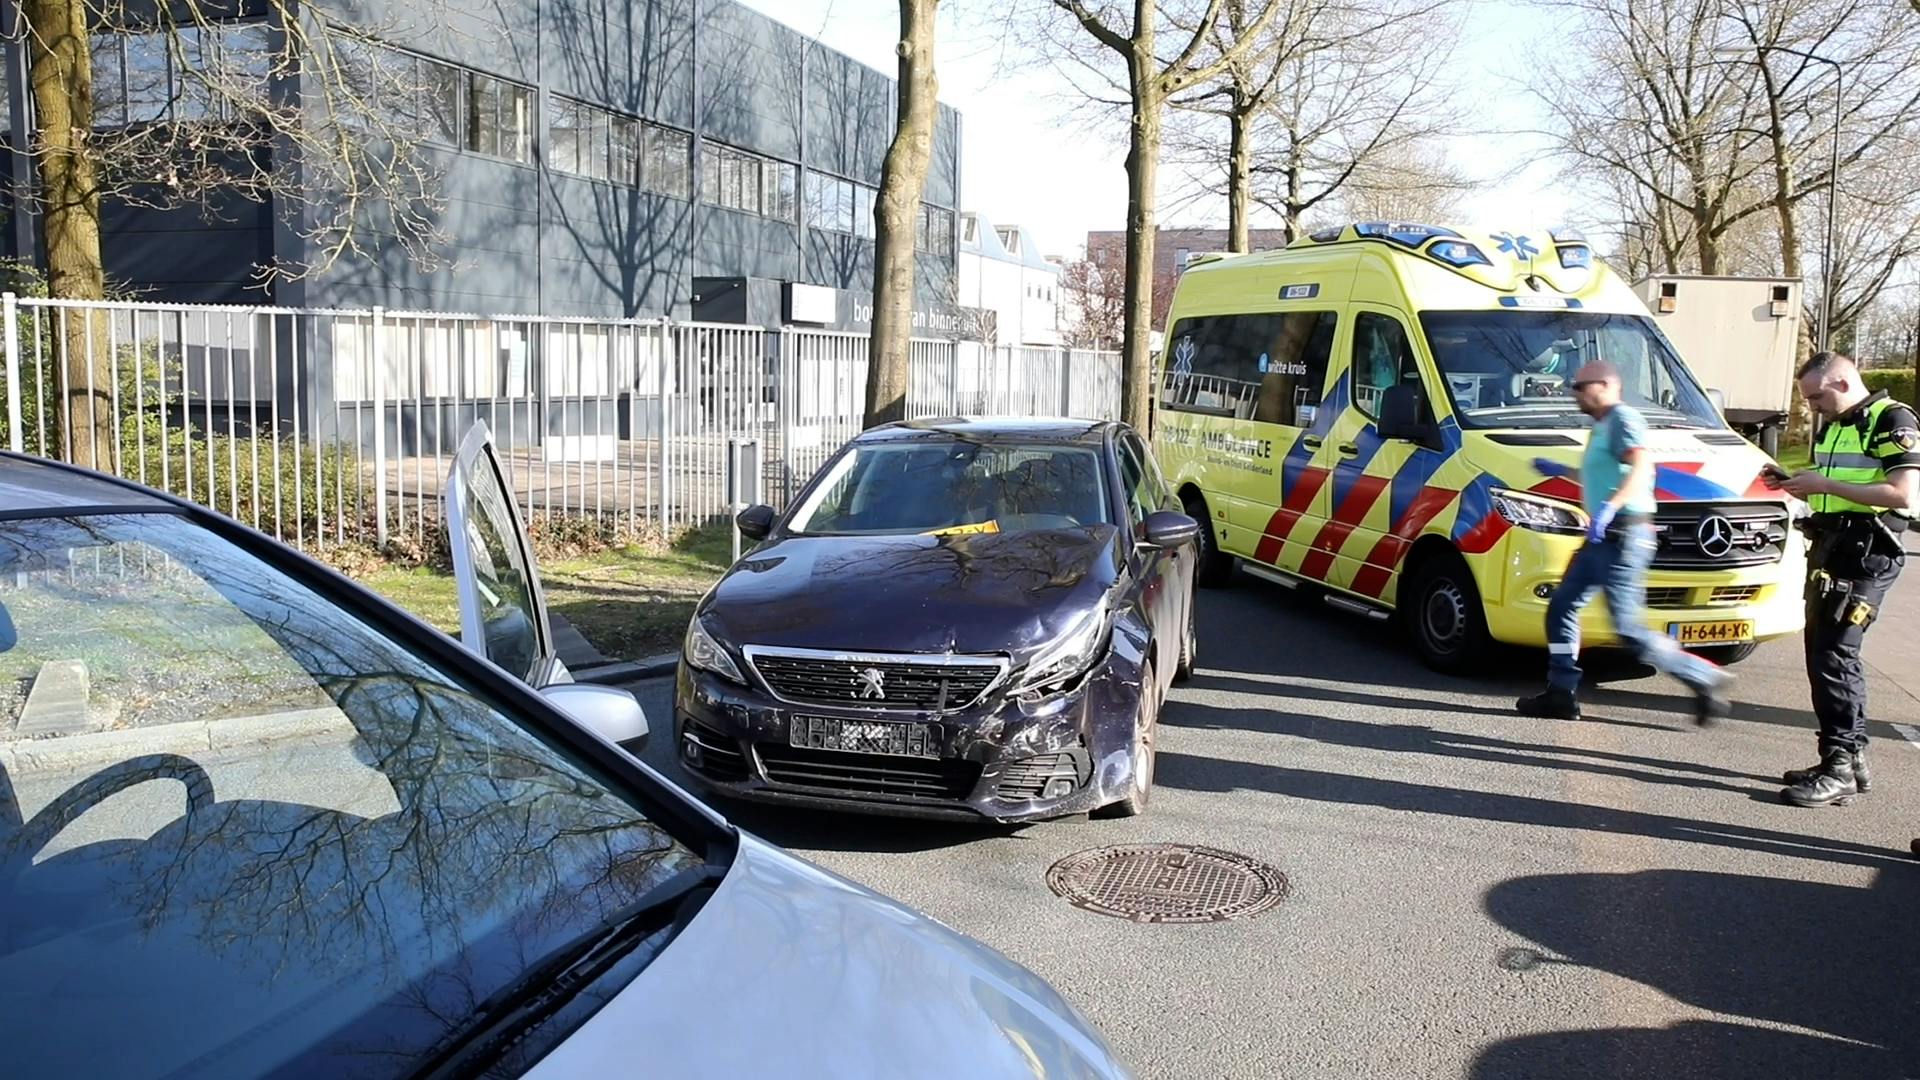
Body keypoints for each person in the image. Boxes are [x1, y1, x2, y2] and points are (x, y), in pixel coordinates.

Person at [1517, 361, 1732, 723]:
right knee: (1562, 607)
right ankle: (1560, 692)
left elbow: (1642, 467)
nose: (1575, 394)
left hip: (1624, 535)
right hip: (1602, 539)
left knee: (1628, 630)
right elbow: (1600, 473)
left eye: (1579, 386)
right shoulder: (1601, 425)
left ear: (1604, 384)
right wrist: (1561, 470)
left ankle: (1705, 677)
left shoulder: (1623, 419)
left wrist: (1610, 507)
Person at [1769, 351, 1919, 808]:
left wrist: (1825, 487)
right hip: (1833, 549)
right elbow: (1837, 485)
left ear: (1840, 382)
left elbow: (1901, 494)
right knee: (1822, 652)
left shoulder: (1892, 419)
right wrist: (1793, 481)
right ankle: (1845, 760)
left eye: (1815, 396)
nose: (1811, 406)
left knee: (1836, 655)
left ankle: (1840, 767)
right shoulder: (1836, 424)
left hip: (1868, 555)